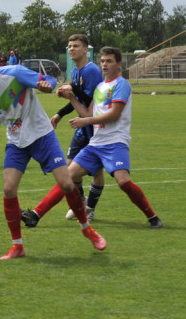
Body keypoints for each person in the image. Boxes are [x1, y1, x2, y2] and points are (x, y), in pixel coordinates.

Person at [0, 50, 107, 259]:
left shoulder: (15, 73)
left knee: (66, 183)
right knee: (9, 188)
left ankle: (86, 228)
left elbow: (48, 79)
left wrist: (47, 85)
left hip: (41, 135)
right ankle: (17, 246)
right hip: (16, 141)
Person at [23, 47, 162, 230]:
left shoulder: (121, 84)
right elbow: (87, 112)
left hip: (115, 141)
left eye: (109, 61)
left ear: (119, 64)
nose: (104, 64)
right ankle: (35, 215)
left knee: (123, 182)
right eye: (102, 61)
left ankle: (152, 217)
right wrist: (71, 97)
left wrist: (85, 121)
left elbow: (114, 115)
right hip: (96, 143)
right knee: (67, 177)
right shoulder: (99, 88)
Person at [20, 34, 105, 227]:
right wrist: (59, 113)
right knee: (68, 168)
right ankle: (82, 201)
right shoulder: (75, 70)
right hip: (81, 127)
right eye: (69, 46)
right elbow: (77, 100)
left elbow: (91, 101)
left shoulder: (91, 71)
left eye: (76, 46)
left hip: (93, 126)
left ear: (86, 50)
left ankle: (89, 208)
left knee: (96, 173)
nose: (71, 49)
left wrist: (72, 89)